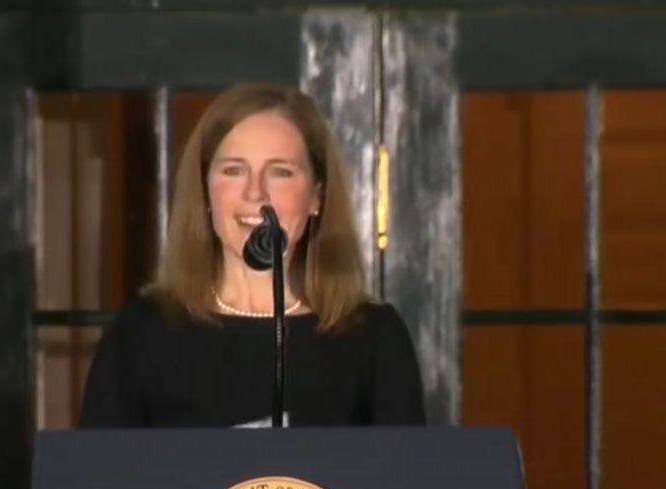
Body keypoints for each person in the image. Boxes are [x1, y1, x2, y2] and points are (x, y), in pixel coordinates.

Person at [79, 83, 426, 428]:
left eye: (281, 172)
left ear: (316, 196)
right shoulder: (141, 334)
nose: (255, 192)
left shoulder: (374, 338)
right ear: (204, 191)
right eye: (233, 170)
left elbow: (405, 478)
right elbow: (99, 479)